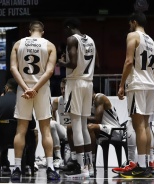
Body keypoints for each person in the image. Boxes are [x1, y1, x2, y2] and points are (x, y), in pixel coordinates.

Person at [10, 20, 60, 180]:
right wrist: (35, 89)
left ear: (30, 30)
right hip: (42, 89)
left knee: (21, 130)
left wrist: (26, 88)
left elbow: (13, 68)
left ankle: (17, 169)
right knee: (46, 130)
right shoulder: (50, 45)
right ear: (42, 32)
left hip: (23, 90)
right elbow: (50, 71)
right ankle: (51, 168)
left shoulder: (18, 44)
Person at [117, 12, 154, 178]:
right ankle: (148, 162)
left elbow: (128, 61)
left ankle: (141, 166)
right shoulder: (152, 41)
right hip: (150, 85)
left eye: (130, 23)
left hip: (137, 84)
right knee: (147, 125)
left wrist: (121, 85)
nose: (129, 26)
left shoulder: (133, 35)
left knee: (138, 126)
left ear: (134, 22)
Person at [58, 18, 99, 178]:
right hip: (88, 83)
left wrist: (61, 63)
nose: (64, 33)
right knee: (83, 126)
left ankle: (82, 168)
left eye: (65, 29)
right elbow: (97, 63)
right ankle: (89, 166)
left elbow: (73, 63)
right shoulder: (91, 40)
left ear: (69, 27)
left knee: (76, 127)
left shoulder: (71, 39)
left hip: (75, 82)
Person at [50, 78, 70, 168]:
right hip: (64, 131)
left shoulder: (76, 100)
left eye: (64, 88)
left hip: (74, 132)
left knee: (68, 162)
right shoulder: (57, 101)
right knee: (51, 123)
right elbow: (52, 115)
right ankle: (58, 157)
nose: (63, 91)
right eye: (61, 88)